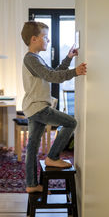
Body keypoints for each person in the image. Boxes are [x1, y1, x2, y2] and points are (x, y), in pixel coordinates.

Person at [21, 21, 87, 193]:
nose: (48, 40)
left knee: (32, 147)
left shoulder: (35, 58)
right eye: (45, 37)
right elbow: (52, 76)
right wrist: (75, 72)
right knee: (71, 122)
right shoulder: (30, 59)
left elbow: (53, 72)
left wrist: (68, 58)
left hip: (34, 107)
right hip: (38, 107)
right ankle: (53, 157)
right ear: (34, 39)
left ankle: (32, 184)